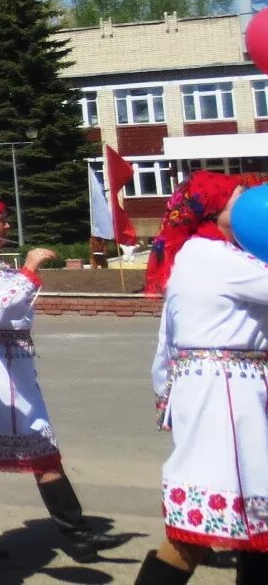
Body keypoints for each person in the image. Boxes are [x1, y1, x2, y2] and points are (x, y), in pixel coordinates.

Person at [0, 194, 105, 559]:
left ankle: (75, 535)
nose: (7, 225)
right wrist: (31, 268)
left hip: (12, 363)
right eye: (0, 219)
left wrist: (25, 275)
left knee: (35, 446)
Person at [135, 171, 268, 582]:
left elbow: (166, 341)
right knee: (204, 522)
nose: (249, 204)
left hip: (223, 389)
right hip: (227, 394)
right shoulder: (216, 258)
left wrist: (168, 396)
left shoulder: (199, 254)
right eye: (238, 198)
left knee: (251, 514)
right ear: (213, 208)